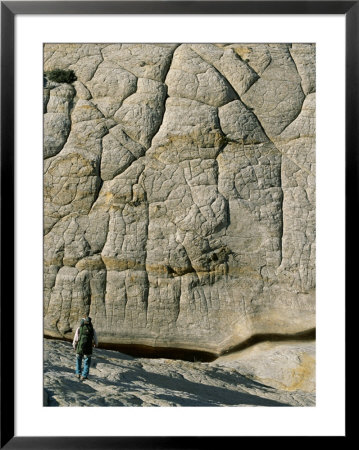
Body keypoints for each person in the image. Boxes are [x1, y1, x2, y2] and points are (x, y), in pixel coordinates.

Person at [72, 316, 98, 381]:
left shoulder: (79, 328)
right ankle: (84, 375)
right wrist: (95, 344)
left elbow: (76, 338)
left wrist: (74, 346)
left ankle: (78, 373)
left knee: (78, 360)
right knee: (87, 361)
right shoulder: (92, 329)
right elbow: (95, 339)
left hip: (80, 348)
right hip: (88, 348)